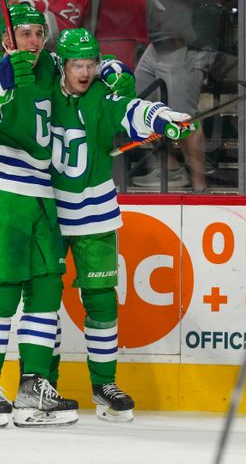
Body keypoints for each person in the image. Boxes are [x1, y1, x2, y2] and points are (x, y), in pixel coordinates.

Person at [48, 28, 193, 421]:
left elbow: (131, 110)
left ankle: (104, 384)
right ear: (62, 64)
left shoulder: (101, 94)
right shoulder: (43, 90)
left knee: (101, 299)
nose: (85, 71)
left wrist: (164, 118)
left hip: (94, 210)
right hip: (47, 211)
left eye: (91, 63)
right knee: (43, 302)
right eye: (78, 64)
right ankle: (43, 385)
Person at [0, 3, 79, 428]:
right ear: (8, 38)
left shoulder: (51, 69)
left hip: (41, 193)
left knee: (47, 290)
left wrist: (113, 73)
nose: (31, 40)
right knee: (3, 289)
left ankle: (33, 385)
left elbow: (86, 69)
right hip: (0, 191)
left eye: (37, 33)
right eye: (23, 33)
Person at [132, 0, 228, 192]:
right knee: (133, 103)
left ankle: (199, 186)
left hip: (185, 39)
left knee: (184, 119)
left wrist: (189, 32)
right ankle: (172, 169)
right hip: (161, 39)